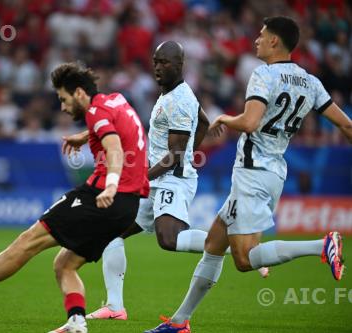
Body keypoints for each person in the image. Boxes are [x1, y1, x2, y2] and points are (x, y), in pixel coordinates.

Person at [144, 16, 351, 333]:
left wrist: (227, 117)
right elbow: (346, 125)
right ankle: (179, 322)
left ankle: (321, 246)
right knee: (214, 246)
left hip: (253, 172)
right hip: (274, 171)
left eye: (261, 35)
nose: (255, 39)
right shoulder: (311, 81)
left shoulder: (264, 75)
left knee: (243, 259)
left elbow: (251, 122)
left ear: (274, 42)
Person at [0, 62, 150, 333]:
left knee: (29, 239)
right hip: (127, 206)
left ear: (78, 93)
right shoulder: (116, 101)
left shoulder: (96, 113)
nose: (62, 107)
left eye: (63, 99)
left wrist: (110, 185)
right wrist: (85, 137)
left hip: (103, 195)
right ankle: (76, 322)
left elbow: (114, 148)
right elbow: (118, 130)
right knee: (64, 265)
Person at [61, 41, 267, 323]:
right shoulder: (173, 95)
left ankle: (241, 248)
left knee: (169, 240)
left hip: (171, 180)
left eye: (165, 63)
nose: (158, 68)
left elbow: (175, 156)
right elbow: (204, 122)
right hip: (158, 179)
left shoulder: (180, 101)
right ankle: (115, 306)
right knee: (110, 232)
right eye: (156, 62)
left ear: (180, 65)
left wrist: (142, 177)